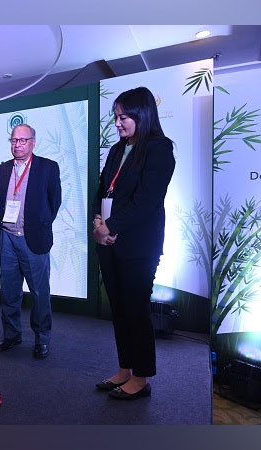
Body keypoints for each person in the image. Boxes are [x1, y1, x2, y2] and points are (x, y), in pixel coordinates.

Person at [92, 86, 175, 400]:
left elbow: (147, 201)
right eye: (116, 117)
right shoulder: (117, 149)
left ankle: (141, 378)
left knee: (135, 310)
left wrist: (111, 226)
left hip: (138, 245)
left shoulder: (159, 148)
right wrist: (98, 222)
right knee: (119, 309)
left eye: (124, 116)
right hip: (108, 240)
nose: (118, 123)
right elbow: (102, 188)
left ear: (142, 114)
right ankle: (124, 369)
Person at [0, 124, 61, 360]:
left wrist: (39, 224)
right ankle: (12, 335)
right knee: (9, 292)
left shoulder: (48, 168)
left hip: (34, 238)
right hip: (7, 238)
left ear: (33, 142)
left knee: (39, 292)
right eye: (14, 140)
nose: (17, 145)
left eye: (23, 141)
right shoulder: (2, 170)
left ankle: (42, 339)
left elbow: (55, 202)